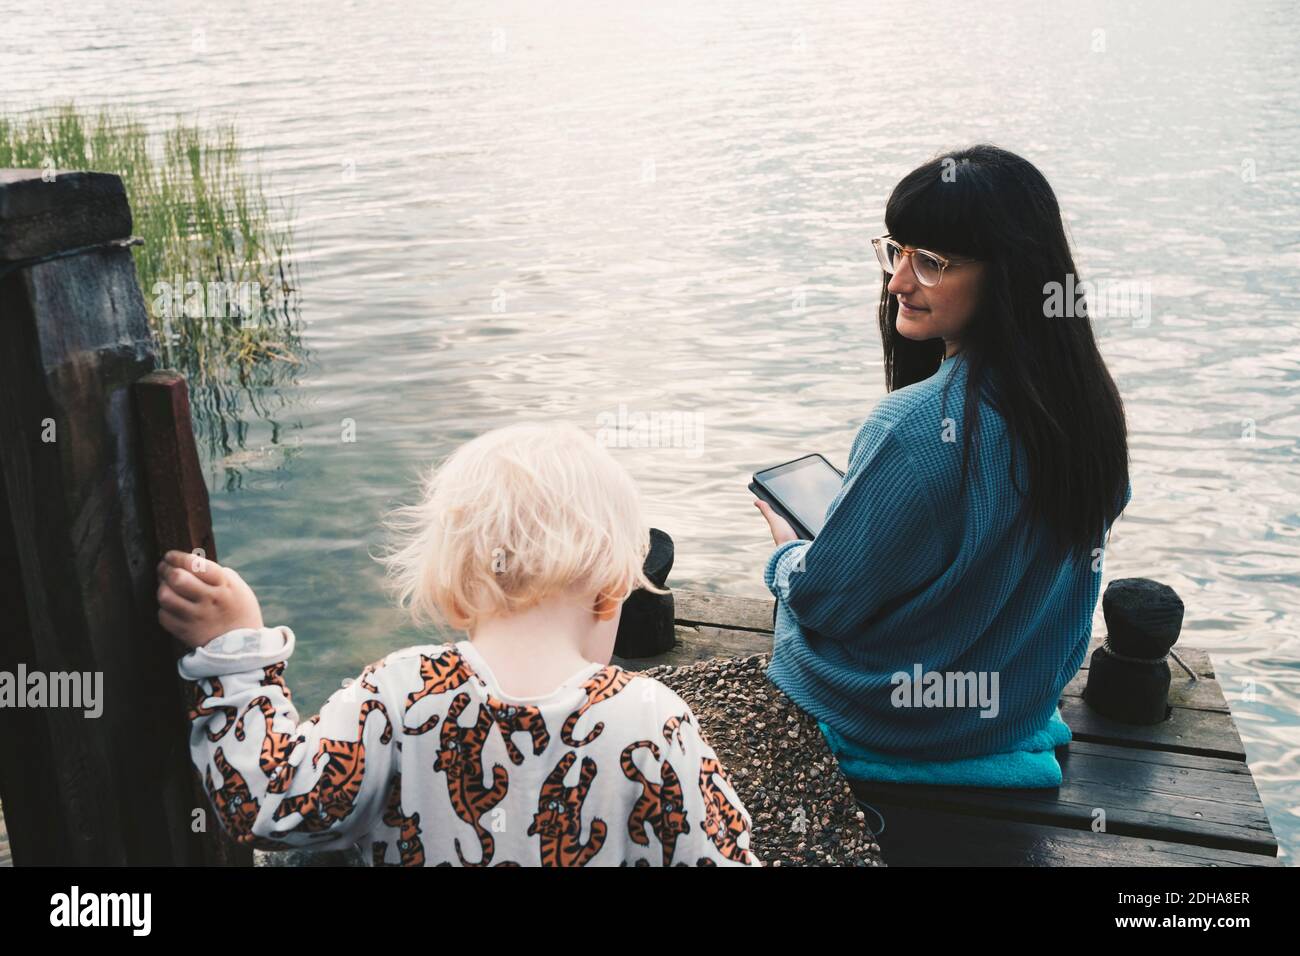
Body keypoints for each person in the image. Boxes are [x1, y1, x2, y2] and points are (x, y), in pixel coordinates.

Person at [160, 421, 760, 866]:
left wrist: (238, 654)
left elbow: (269, 805)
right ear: (610, 597)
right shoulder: (654, 720)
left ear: (453, 596)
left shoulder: (397, 694)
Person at [754, 144, 1132, 761]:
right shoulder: (1090, 411)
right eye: (897, 250)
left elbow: (827, 602)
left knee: (798, 603)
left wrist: (789, 554)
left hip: (897, 718)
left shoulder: (910, 426)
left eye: (932, 262)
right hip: (1014, 706)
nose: (899, 280)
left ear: (1006, 274)